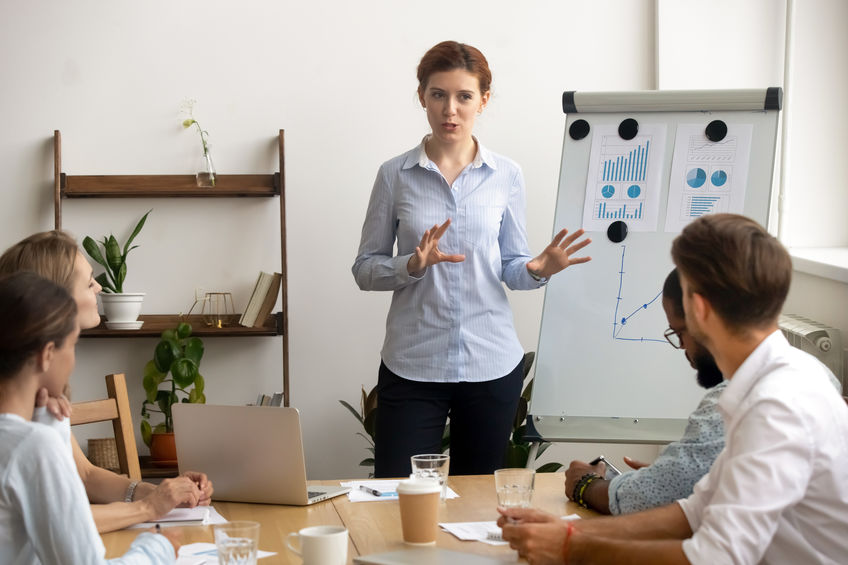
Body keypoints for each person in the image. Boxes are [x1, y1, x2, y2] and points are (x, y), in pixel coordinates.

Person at [498, 213, 848, 564]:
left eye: (676, 331)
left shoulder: (776, 406)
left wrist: (570, 547)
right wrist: (566, 530)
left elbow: (715, 557)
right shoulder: (783, 378)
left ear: (698, 307)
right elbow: (693, 512)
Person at [352, 40, 592, 477]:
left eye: (464, 96)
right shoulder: (394, 175)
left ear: (483, 100)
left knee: (480, 502)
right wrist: (411, 265)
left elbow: (512, 267)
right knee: (398, 496)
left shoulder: (506, 175)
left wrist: (537, 269)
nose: (450, 110)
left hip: (490, 364)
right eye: (439, 95)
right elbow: (365, 269)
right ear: (422, 96)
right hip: (413, 363)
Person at [0, 230, 213, 533]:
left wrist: (160, 493)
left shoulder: (42, 395)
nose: (99, 287)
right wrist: (147, 507)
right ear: (49, 299)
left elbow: (84, 474)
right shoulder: (18, 411)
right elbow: (61, 521)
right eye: (89, 283)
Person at [0, 271, 179, 563]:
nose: (73, 359)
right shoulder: (33, 447)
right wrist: (157, 550)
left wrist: (49, 422)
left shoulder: (31, 438)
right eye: (72, 345)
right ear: (46, 354)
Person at [565, 268, 726, 515]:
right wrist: (666, 478)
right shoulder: (796, 371)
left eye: (680, 333)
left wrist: (585, 484)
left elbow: (647, 500)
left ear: (704, 316)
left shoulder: (732, 403)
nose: (681, 348)